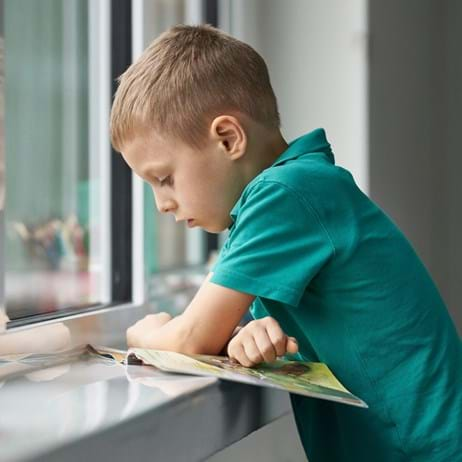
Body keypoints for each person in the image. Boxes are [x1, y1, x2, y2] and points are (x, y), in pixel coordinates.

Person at [110, 24, 462, 462]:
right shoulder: (293, 197)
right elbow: (237, 332)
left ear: (228, 138)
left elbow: (191, 338)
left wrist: (143, 333)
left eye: (163, 179)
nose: (162, 204)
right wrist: (247, 336)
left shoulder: (285, 194)